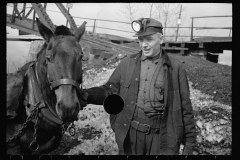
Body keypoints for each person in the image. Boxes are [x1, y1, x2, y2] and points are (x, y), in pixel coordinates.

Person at [83, 18, 196, 155]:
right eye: (141, 40)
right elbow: (109, 91)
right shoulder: (127, 64)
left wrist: (189, 145)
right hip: (131, 136)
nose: (144, 45)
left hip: (162, 140)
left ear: (161, 39)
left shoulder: (176, 68)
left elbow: (185, 109)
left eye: (149, 39)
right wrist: (84, 95)